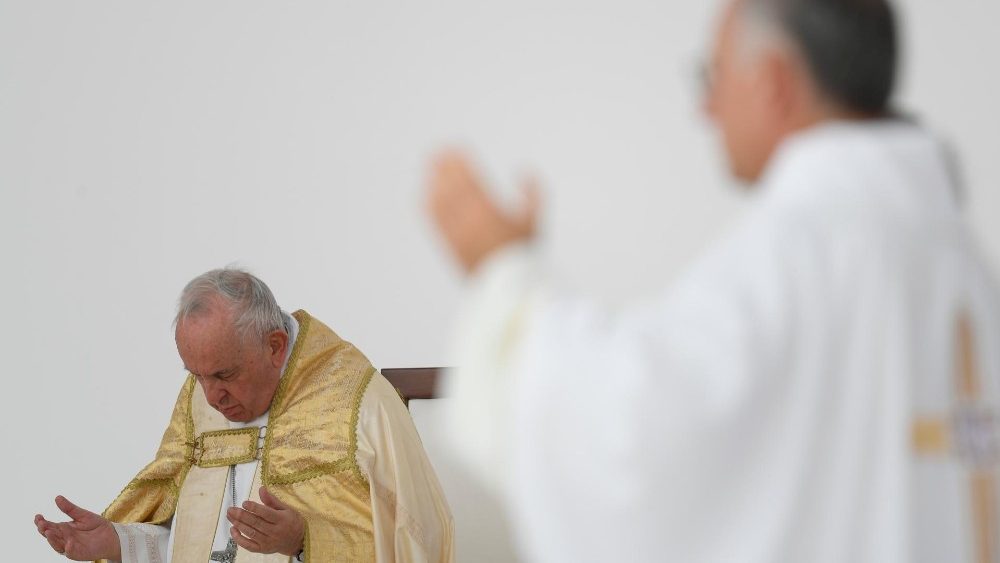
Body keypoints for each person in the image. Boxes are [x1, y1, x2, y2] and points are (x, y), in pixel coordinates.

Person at [426, 0, 1000, 561]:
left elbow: (629, 434)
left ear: (773, 82)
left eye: (713, 74)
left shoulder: (802, 246)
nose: (706, 108)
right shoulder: (956, 252)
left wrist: (502, 273)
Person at [34, 269, 454, 563]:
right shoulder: (201, 397)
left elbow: (421, 541)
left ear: (274, 346)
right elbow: (193, 546)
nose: (212, 397)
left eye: (224, 375)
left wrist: (306, 543)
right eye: (195, 375)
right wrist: (117, 541)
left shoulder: (358, 403)